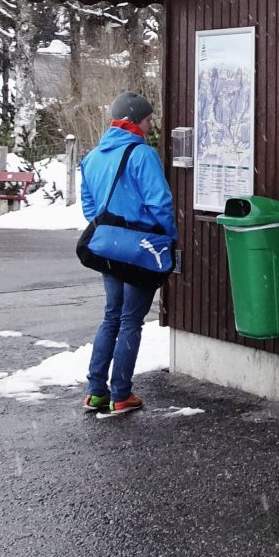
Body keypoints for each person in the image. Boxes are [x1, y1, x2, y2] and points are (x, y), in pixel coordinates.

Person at [79, 91, 176, 415]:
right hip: (141, 248)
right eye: (148, 119)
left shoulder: (92, 157)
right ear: (134, 119)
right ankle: (121, 394)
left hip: (109, 247)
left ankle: (96, 392)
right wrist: (167, 238)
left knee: (112, 316)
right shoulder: (142, 155)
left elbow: (90, 207)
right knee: (131, 320)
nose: (151, 125)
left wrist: (111, 229)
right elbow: (159, 203)